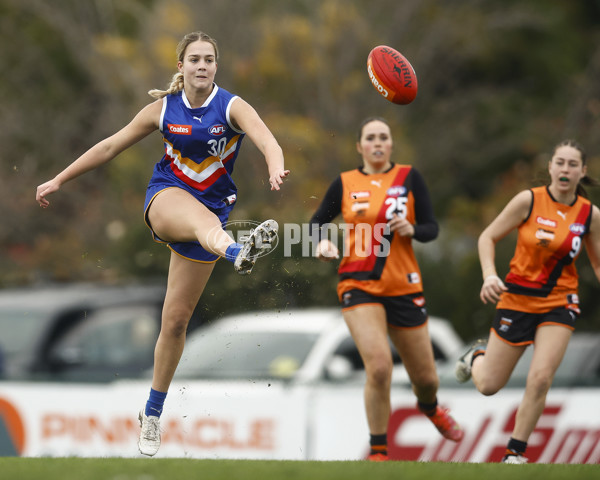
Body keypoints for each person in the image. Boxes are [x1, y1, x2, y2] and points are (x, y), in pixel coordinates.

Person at [35, 31, 290, 456]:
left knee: (175, 322)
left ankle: (151, 414)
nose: (202, 66)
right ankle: (237, 252)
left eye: (209, 59)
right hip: (166, 199)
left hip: (211, 215)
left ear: (216, 66)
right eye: (195, 59)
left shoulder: (231, 106)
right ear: (181, 66)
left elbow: (267, 139)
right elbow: (110, 145)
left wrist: (275, 167)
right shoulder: (162, 109)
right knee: (201, 220)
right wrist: (60, 178)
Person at [310, 117, 463, 462]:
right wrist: (320, 244)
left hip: (404, 286)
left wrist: (412, 228)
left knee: (425, 378)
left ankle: (430, 406)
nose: (377, 143)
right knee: (378, 366)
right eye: (370, 137)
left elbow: (432, 228)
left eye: (384, 137)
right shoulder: (346, 183)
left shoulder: (409, 178)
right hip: (358, 283)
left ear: (391, 144)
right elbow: (318, 221)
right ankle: (378, 451)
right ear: (359, 146)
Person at [455, 139, 600, 464]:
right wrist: (490, 275)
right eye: (559, 162)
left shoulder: (590, 215)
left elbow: (599, 263)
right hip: (517, 301)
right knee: (489, 385)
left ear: (583, 171)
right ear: (550, 167)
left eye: (572, 164)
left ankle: (514, 453)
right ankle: (477, 356)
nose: (565, 169)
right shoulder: (528, 201)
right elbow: (487, 237)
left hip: (559, 303)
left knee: (540, 377)